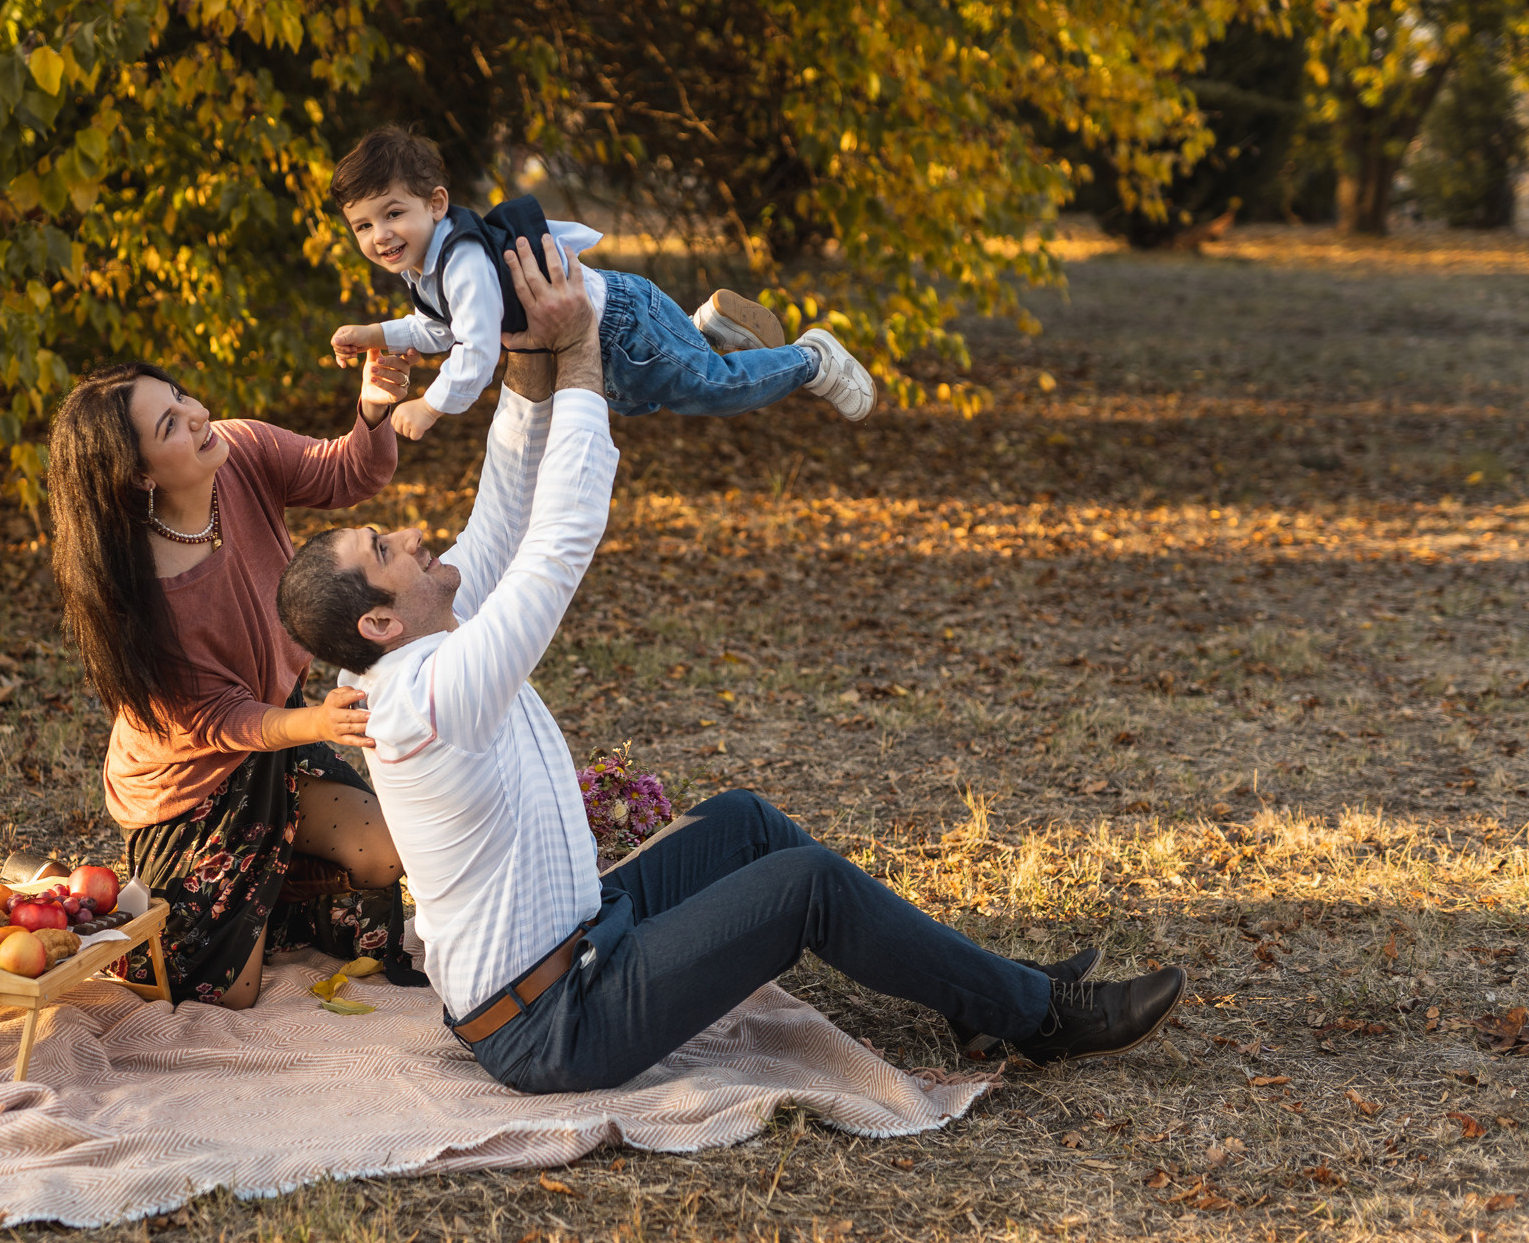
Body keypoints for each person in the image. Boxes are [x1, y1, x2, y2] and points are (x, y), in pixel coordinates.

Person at [277, 236, 1185, 1091]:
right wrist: (583, 345)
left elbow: (507, 501)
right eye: (386, 546)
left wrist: (525, 343)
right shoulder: (436, 693)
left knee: (746, 822)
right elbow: (558, 538)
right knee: (805, 888)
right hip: (553, 1019)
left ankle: (986, 999)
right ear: (384, 622)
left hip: (585, 933)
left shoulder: (425, 639)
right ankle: (1038, 1018)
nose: (412, 532)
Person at [46, 350, 427, 1008]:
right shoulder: (141, 592)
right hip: (194, 786)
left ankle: (267, 899)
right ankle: (78, 898)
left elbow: (348, 470)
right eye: (169, 424)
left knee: (383, 853)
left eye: (180, 396)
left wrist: (372, 408)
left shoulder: (241, 452)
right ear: (136, 476)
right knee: (223, 992)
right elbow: (220, 720)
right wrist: (314, 723)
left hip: (275, 735)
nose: (197, 415)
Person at [324, 126, 876, 443]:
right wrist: (376, 333)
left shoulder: (461, 261)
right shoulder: (427, 265)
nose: (380, 236)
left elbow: (475, 348)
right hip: (607, 335)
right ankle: (702, 326)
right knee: (644, 402)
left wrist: (432, 405)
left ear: (436, 203)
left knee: (714, 388)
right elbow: (436, 328)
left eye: (393, 214)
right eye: (364, 226)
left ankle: (813, 360)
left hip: (618, 327)